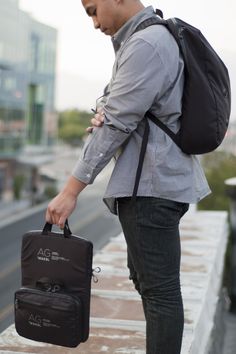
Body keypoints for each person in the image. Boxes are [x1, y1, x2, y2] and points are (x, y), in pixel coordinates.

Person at [46, 1, 211, 353]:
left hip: (151, 186)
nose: (93, 23)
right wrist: (106, 111)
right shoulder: (145, 39)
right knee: (151, 287)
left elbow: (116, 123)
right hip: (154, 183)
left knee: (161, 294)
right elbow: (113, 106)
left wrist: (70, 191)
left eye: (93, 10)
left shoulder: (147, 44)